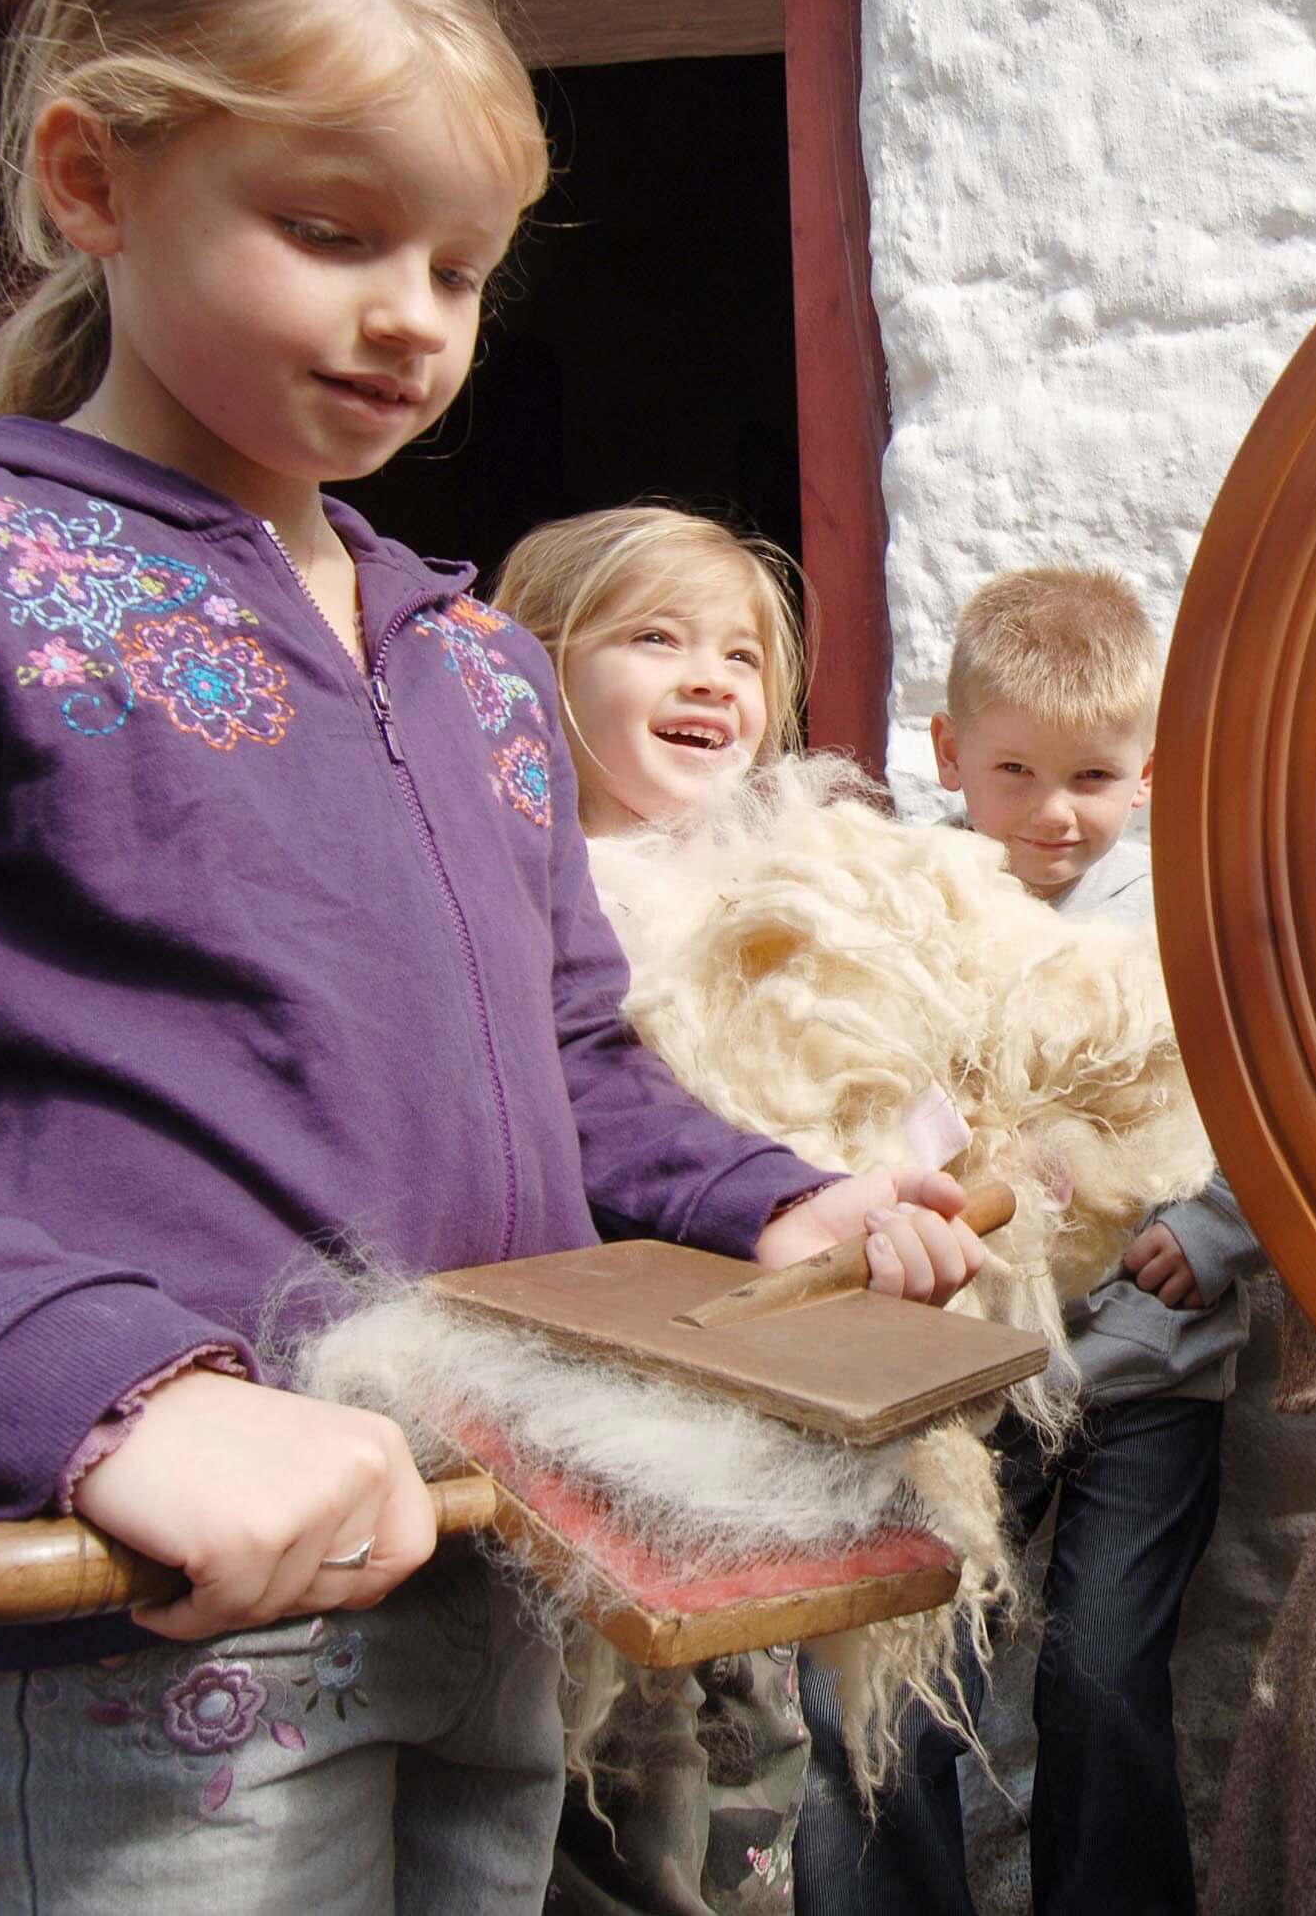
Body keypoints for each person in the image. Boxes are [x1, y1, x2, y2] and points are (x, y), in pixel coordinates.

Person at [0, 0, 984, 1916]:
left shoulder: (471, 666)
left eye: (459, 266)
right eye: (333, 234)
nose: (410, 321)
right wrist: (104, 1408)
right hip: (153, 1635)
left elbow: (566, 1062)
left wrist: (771, 1201)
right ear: (93, 176)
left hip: (490, 1585)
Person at [791, 566, 1263, 1916]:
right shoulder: (904, 907)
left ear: (1151, 771)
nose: (1056, 816)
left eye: (1094, 779)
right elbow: (852, 1079)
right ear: (946, 754)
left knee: (1103, 1675)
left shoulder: (1191, 914)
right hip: (957, 1371)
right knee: (897, 1683)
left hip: (1146, 1360)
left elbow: (1256, 1091)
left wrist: (1214, 1229)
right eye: (1013, 772)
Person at [493, 502, 826, 1913]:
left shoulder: (806, 885)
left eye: (742, 654)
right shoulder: (539, 893)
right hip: (606, 1399)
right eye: (656, 638)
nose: (711, 679)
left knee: (763, 1740)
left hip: (775, 1397)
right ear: (539, 668)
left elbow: (876, 1084)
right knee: (614, 1759)